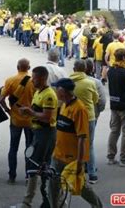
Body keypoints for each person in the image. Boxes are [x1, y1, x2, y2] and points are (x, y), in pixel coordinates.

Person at [48, 78, 103, 208]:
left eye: (57, 88)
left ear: (63, 91)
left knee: (81, 186)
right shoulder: (63, 105)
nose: (55, 90)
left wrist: (79, 162)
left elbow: (82, 137)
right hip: (57, 155)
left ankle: (97, 205)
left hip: (72, 159)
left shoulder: (79, 109)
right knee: (53, 187)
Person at [18, 66, 58, 207]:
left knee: (36, 167)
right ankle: (48, 201)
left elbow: (47, 118)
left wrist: (31, 113)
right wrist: (28, 111)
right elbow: (36, 111)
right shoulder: (38, 92)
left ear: (42, 78)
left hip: (45, 134)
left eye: (34, 78)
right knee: (36, 166)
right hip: (38, 133)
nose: (32, 80)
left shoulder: (48, 95)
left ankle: (29, 201)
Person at [0, 58, 35, 184]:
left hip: (15, 119)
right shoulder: (33, 81)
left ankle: (12, 175)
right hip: (30, 120)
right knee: (29, 148)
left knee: (13, 148)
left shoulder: (10, 80)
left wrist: (8, 110)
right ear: (29, 68)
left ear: (17, 67)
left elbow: (1, 99)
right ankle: (28, 175)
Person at [69, 60, 100, 183]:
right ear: (85, 69)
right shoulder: (90, 83)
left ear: (74, 69)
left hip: (72, 116)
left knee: (73, 144)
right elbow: (95, 99)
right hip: (88, 116)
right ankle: (92, 174)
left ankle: (74, 172)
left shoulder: (69, 82)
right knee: (89, 145)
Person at [107, 49, 125, 167]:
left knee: (114, 131)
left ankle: (110, 156)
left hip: (114, 104)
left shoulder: (110, 71)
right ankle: (124, 159)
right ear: (124, 58)